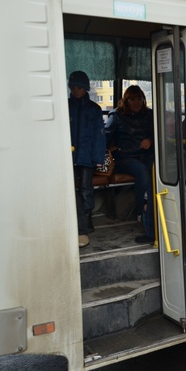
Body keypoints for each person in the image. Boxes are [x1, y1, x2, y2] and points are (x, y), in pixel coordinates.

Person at [105, 85, 155, 244]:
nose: (136, 102)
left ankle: (151, 217)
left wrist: (151, 140)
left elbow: (158, 133)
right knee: (143, 173)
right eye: (132, 99)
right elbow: (105, 137)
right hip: (124, 157)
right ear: (125, 101)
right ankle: (142, 213)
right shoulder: (116, 116)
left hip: (146, 154)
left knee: (158, 174)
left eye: (139, 98)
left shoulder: (150, 115)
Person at [68, 71, 106, 248]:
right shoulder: (66, 107)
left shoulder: (94, 109)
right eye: (73, 87)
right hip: (68, 156)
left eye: (79, 87)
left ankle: (85, 223)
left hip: (86, 157)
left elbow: (99, 137)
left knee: (85, 189)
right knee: (71, 191)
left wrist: (98, 158)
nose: (76, 91)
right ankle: (82, 225)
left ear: (85, 88)